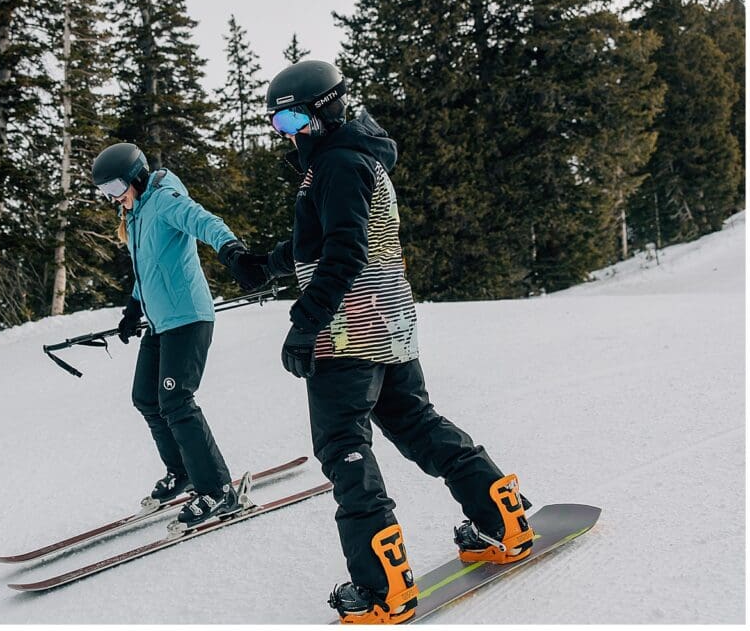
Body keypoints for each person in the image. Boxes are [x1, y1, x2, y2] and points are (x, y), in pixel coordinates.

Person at [250, 60, 534, 624]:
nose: (285, 134)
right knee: (419, 424)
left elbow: (344, 251)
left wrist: (306, 323)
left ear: (325, 109)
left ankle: (383, 587)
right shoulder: (355, 157)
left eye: (290, 119)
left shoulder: (334, 163)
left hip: (349, 331)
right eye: (276, 123)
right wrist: (268, 264)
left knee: (343, 448)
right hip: (391, 323)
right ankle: (503, 519)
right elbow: (326, 234)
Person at [91, 142, 267, 528]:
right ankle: (183, 471)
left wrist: (232, 250)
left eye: (116, 187)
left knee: (175, 400)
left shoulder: (165, 199)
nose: (113, 198)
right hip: (160, 323)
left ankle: (218, 489)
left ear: (136, 176)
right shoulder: (136, 213)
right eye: (105, 192)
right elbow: (148, 270)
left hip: (187, 318)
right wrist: (134, 307)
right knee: (146, 398)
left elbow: (205, 221)